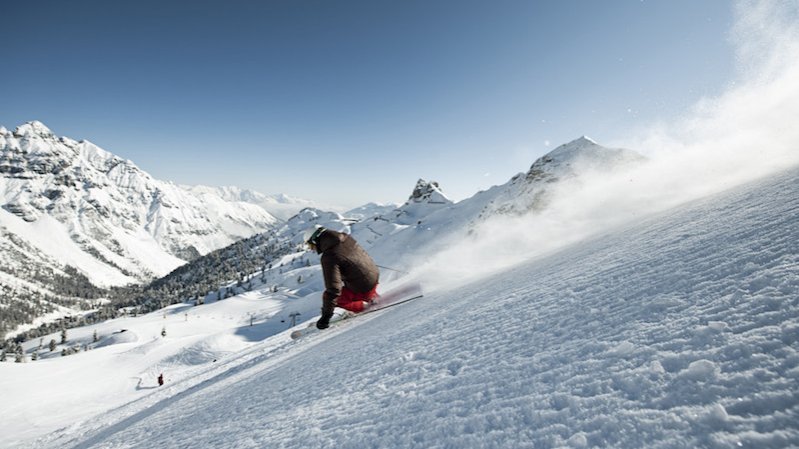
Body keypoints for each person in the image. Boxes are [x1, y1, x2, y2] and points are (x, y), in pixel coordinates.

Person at [304, 226, 380, 329]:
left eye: (310, 245)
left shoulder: (329, 256)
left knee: (335, 298)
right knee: (356, 283)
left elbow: (333, 289)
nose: (311, 249)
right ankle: (373, 298)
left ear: (315, 240)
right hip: (373, 275)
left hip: (363, 286)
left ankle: (364, 308)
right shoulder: (345, 238)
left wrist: (326, 316)